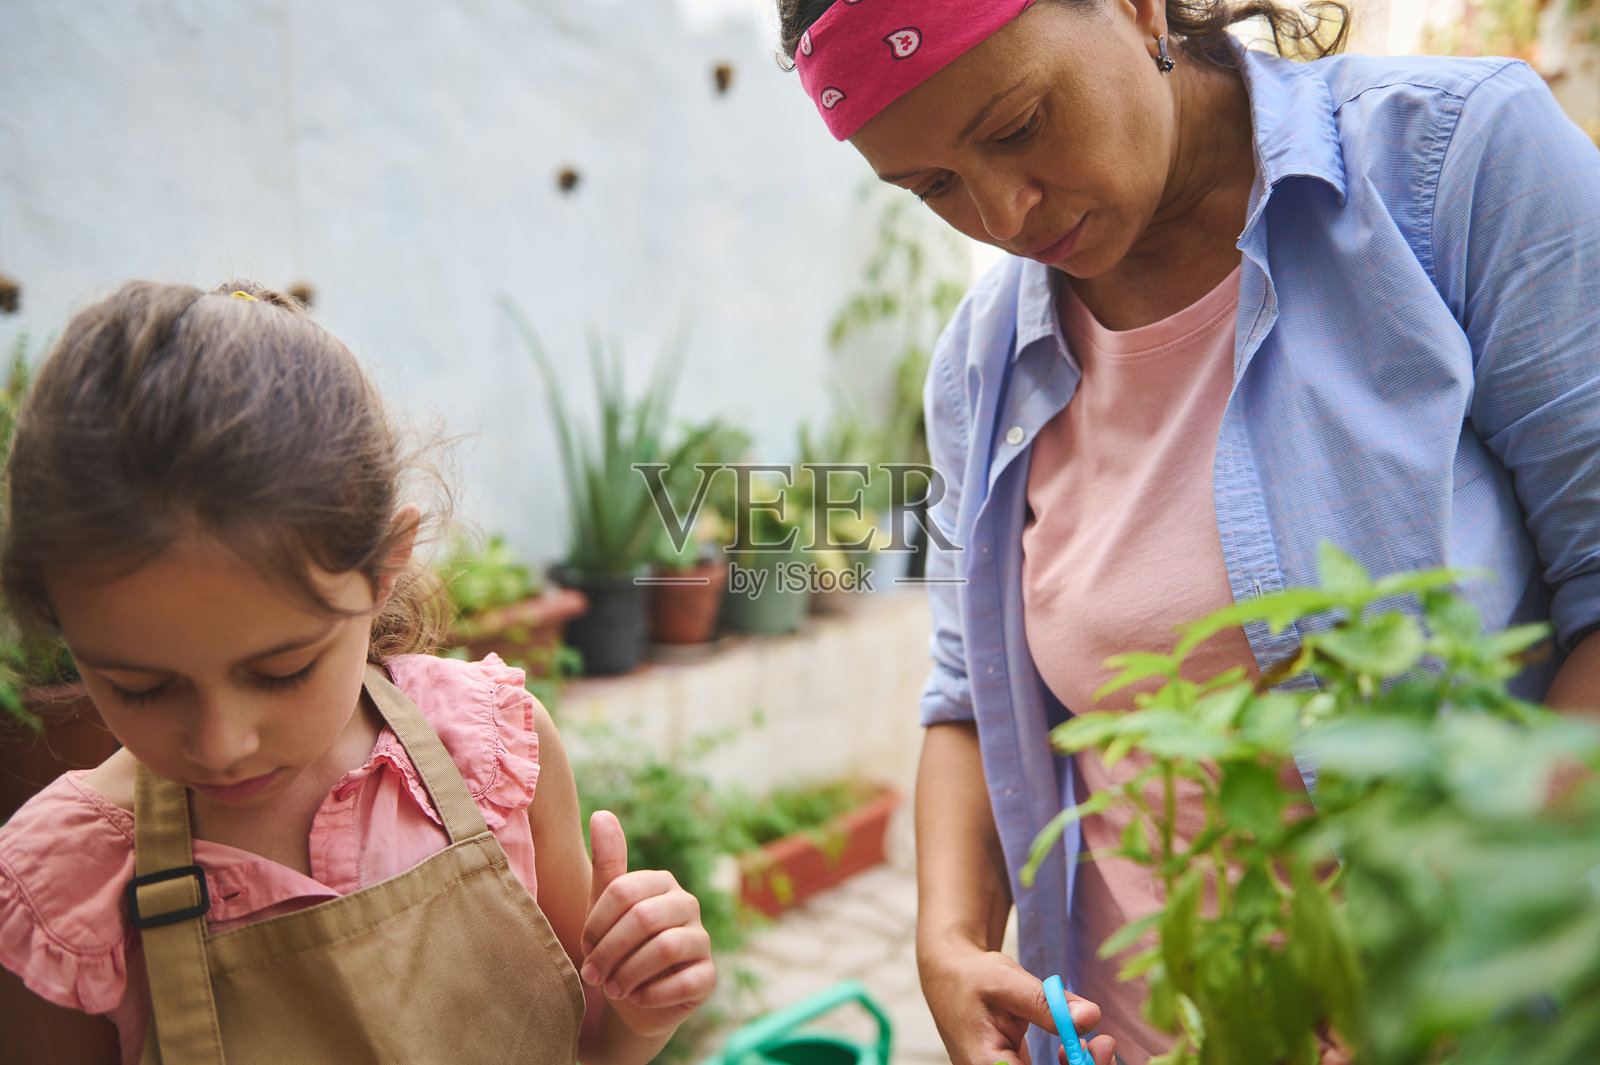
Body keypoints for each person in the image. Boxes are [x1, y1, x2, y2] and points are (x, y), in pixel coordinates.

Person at [776, 0, 1600, 1063]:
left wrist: (1438, 931)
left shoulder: (1449, 164)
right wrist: (948, 939)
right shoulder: (983, 365)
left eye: (1018, 125)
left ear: (1134, 8)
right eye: (931, 185)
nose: (1004, 212)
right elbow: (969, 699)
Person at [0, 281, 717, 1065]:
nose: (222, 741)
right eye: (141, 686)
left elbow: (585, 1045)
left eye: (281, 669)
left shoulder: (491, 753)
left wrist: (641, 1013)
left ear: (382, 567)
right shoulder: (65, 892)